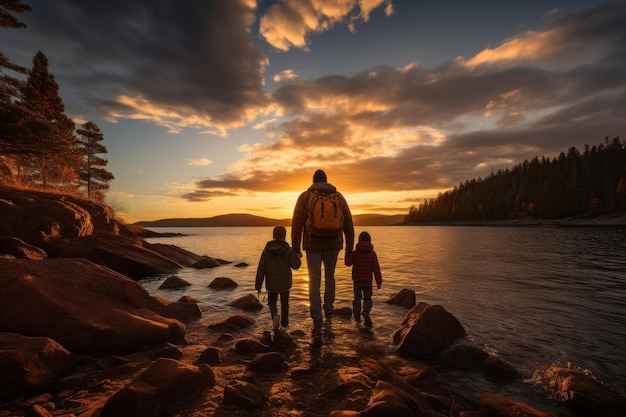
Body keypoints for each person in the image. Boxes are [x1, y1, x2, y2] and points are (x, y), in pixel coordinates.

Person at [292, 169, 354, 329]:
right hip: (334, 244)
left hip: (312, 244)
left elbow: (296, 225)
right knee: (330, 277)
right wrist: (349, 248)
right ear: (327, 180)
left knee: (314, 280)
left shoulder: (305, 197)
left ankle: (317, 318)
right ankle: (329, 310)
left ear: (313, 181)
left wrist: (296, 249)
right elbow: (348, 222)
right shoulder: (338, 197)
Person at [255, 226, 302, 330]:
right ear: (284, 236)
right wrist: (298, 257)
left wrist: (258, 285)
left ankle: (275, 316)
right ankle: (285, 325)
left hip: (271, 283)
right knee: (285, 303)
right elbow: (296, 265)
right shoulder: (289, 250)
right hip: (285, 283)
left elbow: (261, 267)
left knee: (272, 302)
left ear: (273, 235)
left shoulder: (267, 250)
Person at [345, 231, 382, 327]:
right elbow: (376, 268)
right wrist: (379, 281)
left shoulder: (355, 253)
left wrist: (347, 254)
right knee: (367, 299)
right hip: (368, 282)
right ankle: (366, 311)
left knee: (357, 299)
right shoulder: (372, 254)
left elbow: (348, 263)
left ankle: (357, 316)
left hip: (357, 281)